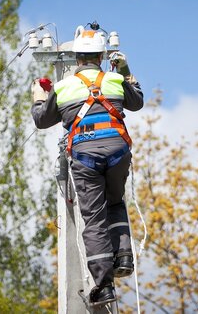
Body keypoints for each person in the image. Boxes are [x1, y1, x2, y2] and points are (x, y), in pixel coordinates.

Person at [31, 26, 144, 305]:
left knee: (94, 217)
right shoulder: (115, 80)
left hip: (85, 156)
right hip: (118, 151)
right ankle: (124, 255)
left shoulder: (64, 87)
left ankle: (104, 284)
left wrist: (38, 96)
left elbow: (42, 120)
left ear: (77, 57)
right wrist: (126, 70)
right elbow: (137, 101)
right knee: (115, 202)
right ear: (103, 56)